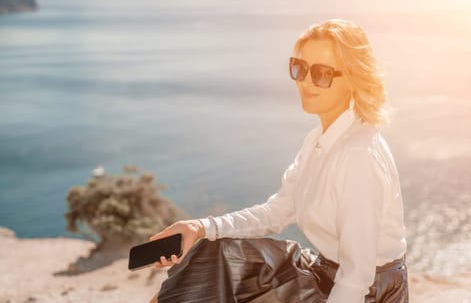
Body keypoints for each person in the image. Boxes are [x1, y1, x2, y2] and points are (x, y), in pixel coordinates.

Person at [148, 19, 408, 303]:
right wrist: (200, 227)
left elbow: (357, 277)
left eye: (321, 73)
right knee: (213, 256)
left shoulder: (357, 157)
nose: (306, 81)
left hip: (368, 292)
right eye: (300, 68)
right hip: (324, 272)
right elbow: (280, 210)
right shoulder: (320, 140)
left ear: (354, 78)